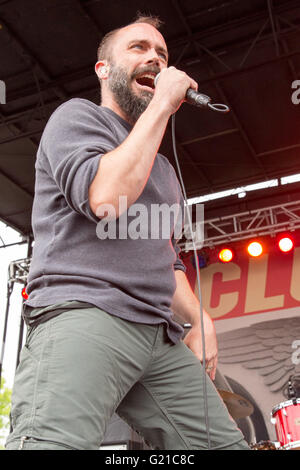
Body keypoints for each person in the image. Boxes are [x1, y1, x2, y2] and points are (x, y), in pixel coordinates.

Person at [6, 14, 250, 450]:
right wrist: (162, 106)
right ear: (104, 70)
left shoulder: (164, 170)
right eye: (139, 48)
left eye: (162, 54)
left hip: (159, 334)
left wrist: (200, 319)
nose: (155, 59)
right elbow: (106, 199)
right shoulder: (77, 118)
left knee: (227, 445)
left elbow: (166, 258)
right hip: (86, 310)